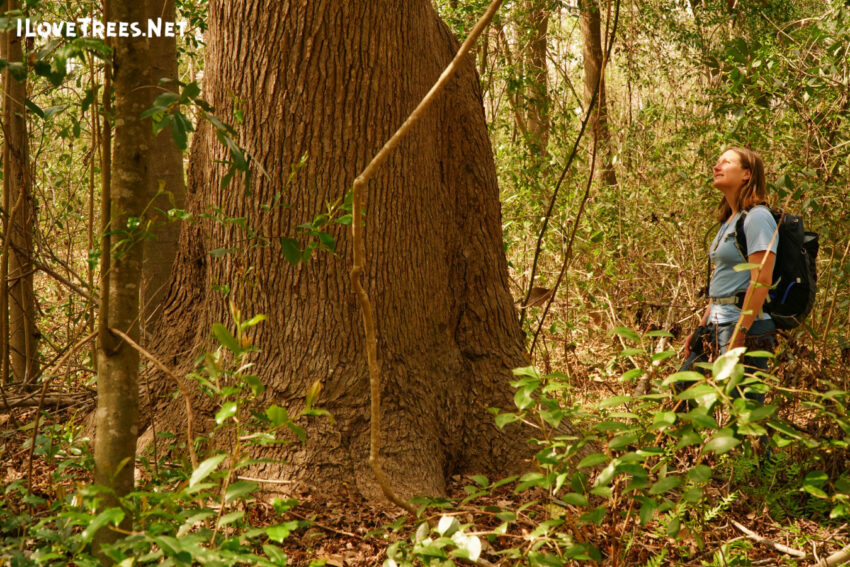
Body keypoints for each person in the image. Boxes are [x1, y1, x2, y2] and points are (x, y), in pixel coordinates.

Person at [679, 147, 778, 402]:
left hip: (745, 328)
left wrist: (739, 335)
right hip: (717, 324)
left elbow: (761, 279)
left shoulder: (758, 218)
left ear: (747, 174)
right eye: (717, 161)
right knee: (683, 390)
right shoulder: (729, 220)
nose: (717, 166)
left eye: (726, 161)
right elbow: (722, 279)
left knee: (744, 415)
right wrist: (702, 326)